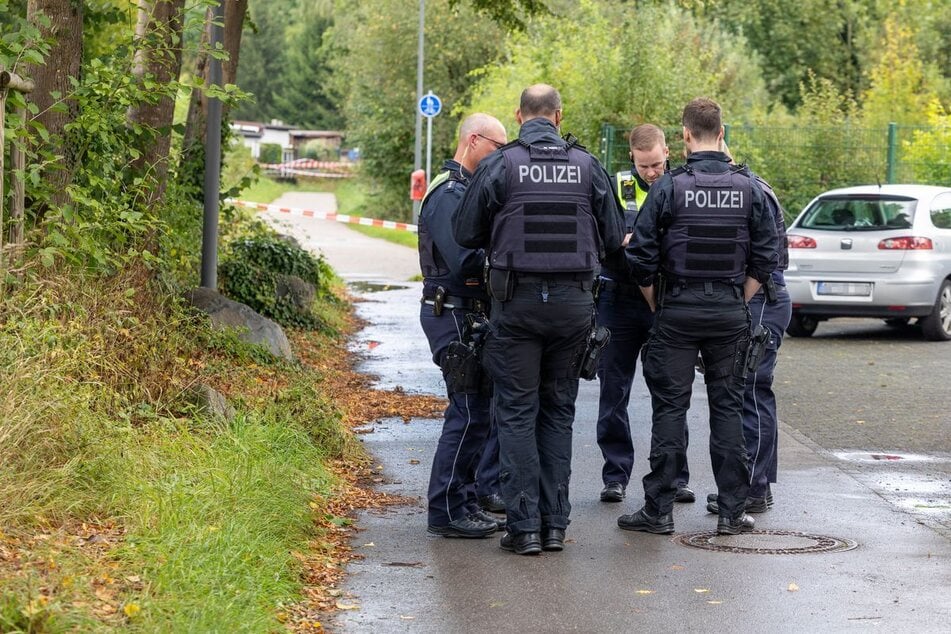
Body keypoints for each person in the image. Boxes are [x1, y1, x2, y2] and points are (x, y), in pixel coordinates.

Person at [454, 84, 625, 555]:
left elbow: (465, 232)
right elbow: (612, 238)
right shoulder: (588, 166)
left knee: (516, 414)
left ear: (520, 115)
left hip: (516, 306)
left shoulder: (499, 164)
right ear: (558, 115)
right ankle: (554, 526)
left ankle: (523, 528)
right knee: (558, 412)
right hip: (573, 308)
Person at [618, 97, 779, 536]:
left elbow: (641, 254)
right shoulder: (748, 187)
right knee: (728, 408)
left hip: (678, 310)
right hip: (729, 312)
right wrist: (740, 298)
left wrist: (656, 303)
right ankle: (731, 512)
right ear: (721, 133)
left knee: (670, 407)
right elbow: (767, 256)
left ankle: (659, 511)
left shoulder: (669, 187)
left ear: (684, 136)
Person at [597, 124, 695, 505]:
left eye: (656, 164)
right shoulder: (615, 186)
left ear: (668, 151)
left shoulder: (681, 185)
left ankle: (676, 476)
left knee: (671, 395)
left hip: (663, 301)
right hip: (618, 298)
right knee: (613, 391)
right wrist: (618, 243)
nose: (651, 172)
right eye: (644, 166)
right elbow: (598, 237)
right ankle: (615, 476)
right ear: (632, 158)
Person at [422, 113, 509, 539]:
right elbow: (464, 258)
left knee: (481, 411)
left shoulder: (467, 190)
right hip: (451, 311)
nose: (501, 157)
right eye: (498, 148)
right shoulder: (449, 193)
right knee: (468, 409)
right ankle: (445, 510)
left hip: (468, 311)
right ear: (474, 141)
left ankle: (466, 499)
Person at [706, 143, 792, 516]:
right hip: (761, 298)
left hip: (762, 298)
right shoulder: (751, 185)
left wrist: (740, 298)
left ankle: (754, 489)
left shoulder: (751, 189)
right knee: (750, 392)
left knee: (752, 392)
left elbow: (768, 256)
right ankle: (756, 486)